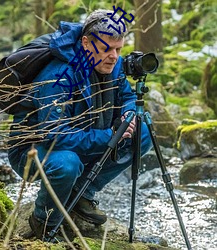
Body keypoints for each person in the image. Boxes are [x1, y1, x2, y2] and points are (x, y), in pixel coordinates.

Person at [8, 9, 152, 241]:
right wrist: (109, 135)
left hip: (84, 136)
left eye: (119, 49)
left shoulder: (111, 64)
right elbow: (54, 135)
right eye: (106, 49)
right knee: (67, 164)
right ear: (86, 43)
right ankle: (43, 221)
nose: (114, 56)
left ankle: (82, 193)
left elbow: (126, 96)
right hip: (34, 150)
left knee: (142, 132)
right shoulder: (59, 76)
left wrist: (128, 114)